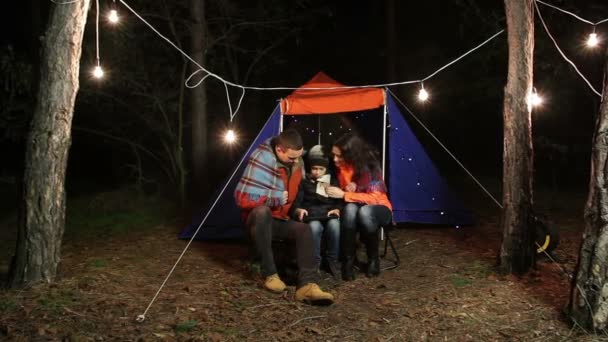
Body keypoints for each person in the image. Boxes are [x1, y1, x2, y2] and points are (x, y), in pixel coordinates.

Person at [234, 129, 334, 305]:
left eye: (299, 156)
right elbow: (241, 198)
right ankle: (270, 274)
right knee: (262, 212)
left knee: (305, 230)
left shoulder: (297, 162)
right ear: (279, 149)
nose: (297, 161)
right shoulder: (261, 159)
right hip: (257, 221)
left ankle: (307, 286)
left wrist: (296, 210)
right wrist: (274, 198)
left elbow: (296, 197)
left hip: (281, 220)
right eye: (292, 157)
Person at [325, 133, 393, 281]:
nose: (335, 159)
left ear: (351, 154)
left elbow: (374, 198)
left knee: (365, 211)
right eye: (333, 155)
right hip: (353, 207)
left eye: (339, 156)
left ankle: (373, 259)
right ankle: (348, 261)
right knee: (350, 209)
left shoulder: (370, 166)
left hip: (379, 209)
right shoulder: (339, 167)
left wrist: (344, 195)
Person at [292, 145, 342, 279]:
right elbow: (298, 201)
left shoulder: (332, 181)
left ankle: (333, 260)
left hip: (328, 213)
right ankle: (314, 263)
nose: (317, 172)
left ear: (325, 169)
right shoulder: (305, 182)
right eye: (314, 168)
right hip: (312, 215)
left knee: (335, 226)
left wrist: (338, 209)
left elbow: (339, 200)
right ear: (310, 168)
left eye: (321, 169)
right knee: (314, 228)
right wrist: (298, 210)